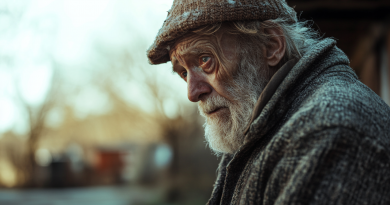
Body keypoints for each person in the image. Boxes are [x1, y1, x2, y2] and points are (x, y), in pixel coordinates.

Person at [147, 0, 390, 204]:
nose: (192, 92)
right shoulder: (261, 124)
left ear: (271, 45)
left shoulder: (328, 133)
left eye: (205, 59)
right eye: (183, 73)